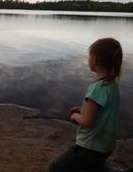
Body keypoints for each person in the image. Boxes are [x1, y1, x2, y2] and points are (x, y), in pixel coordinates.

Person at [49, 37, 123, 172]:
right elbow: (101, 110)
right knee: (94, 166)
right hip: (106, 146)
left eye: (89, 56)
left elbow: (87, 121)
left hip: (91, 147)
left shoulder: (97, 88)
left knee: (56, 168)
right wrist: (83, 109)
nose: (88, 60)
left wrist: (76, 116)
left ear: (94, 59)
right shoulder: (112, 85)